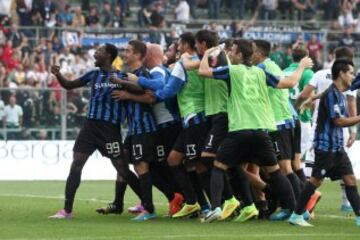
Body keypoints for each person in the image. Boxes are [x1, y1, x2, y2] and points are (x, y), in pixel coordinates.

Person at [198, 39, 313, 223]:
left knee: (218, 166)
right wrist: (301, 66)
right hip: (261, 130)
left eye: (233, 51)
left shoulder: (232, 71)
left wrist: (206, 54)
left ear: (241, 55)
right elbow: (290, 82)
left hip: (239, 129)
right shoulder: (261, 72)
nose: (230, 54)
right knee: (275, 172)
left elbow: (203, 71)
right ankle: (296, 213)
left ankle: (216, 208)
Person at [48, 44, 142, 219]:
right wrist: (57, 74)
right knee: (76, 163)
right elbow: (69, 85)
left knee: (122, 169)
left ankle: (146, 203)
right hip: (90, 127)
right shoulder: (93, 74)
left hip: (110, 129)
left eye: (98, 52)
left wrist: (122, 84)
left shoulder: (121, 76)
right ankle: (67, 210)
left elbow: (140, 90)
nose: (95, 54)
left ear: (108, 55)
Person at [289, 59, 360, 227]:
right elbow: (339, 122)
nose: (352, 76)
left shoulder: (337, 91)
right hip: (325, 147)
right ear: (341, 74)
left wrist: (312, 98)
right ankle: (296, 215)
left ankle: (359, 216)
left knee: (350, 179)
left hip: (337, 147)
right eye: (350, 72)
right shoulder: (333, 95)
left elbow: (327, 92)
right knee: (315, 181)